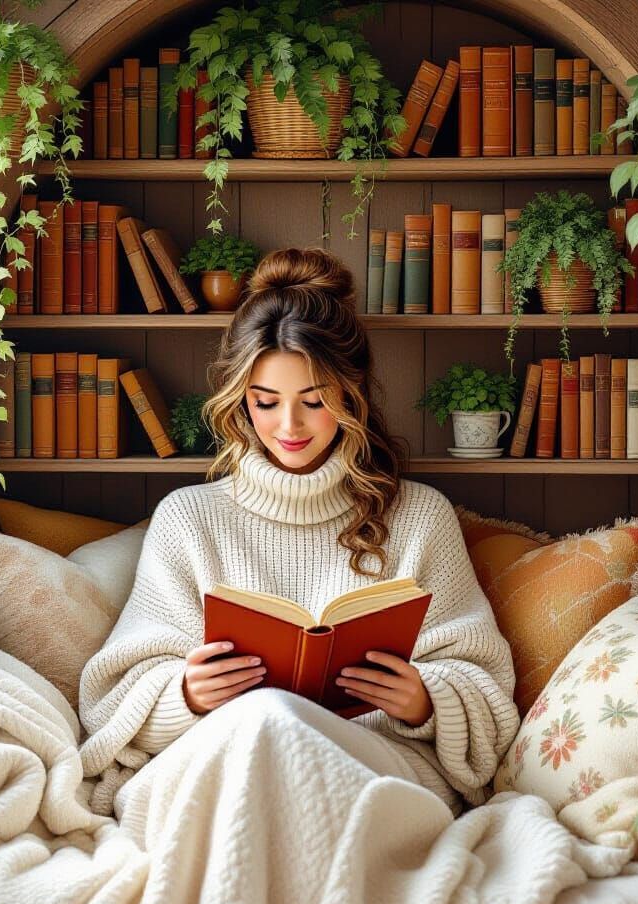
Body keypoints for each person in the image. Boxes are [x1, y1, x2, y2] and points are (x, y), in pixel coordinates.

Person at [80, 247, 519, 815]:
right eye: (265, 403)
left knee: (281, 735)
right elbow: (111, 696)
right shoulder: (188, 518)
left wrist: (424, 700)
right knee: (263, 723)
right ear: (239, 400)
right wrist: (185, 694)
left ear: (350, 394)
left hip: (371, 770)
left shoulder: (419, 517)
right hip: (229, 764)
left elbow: (487, 686)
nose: (288, 427)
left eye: (313, 401)